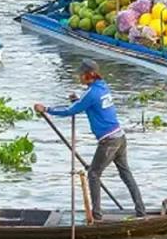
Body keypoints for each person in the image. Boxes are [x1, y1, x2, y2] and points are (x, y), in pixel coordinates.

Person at [34, 59, 147, 219]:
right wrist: (78, 100)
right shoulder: (103, 86)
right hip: (120, 136)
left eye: (81, 75)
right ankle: (141, 211)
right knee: (125, 174)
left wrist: (46, 109)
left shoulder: (91, 93)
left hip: (109, 141)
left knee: (93, 174)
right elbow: (88, 104)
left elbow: (69, 111)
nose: (79, 77)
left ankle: (96, 216)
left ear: (89, 75)